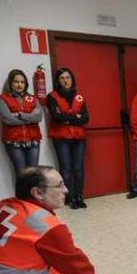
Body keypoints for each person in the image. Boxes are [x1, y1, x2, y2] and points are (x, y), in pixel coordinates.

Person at [47, 67, 89, 209]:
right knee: (66, 169)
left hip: (79, 138)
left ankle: (79, 196)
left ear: (72, 80)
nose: (66, 81)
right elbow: (57, 117)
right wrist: (74, 117)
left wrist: (67, 118)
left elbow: (85, 118)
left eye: (68, 78)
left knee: (78, 168)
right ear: (58, 81)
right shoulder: (52, 96)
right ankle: (69, 197)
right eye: (62, 78)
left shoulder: (79, 97)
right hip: (61, 138)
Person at [0, 69, 43, 177]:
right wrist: (30, 117)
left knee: (33, 173)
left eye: (22, 82)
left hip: (33, 141)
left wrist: (20, 115)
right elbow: (7, 119)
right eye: (16, 81)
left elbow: (39, 117)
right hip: (14, 142)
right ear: (10, 83)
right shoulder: (2, 99)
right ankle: (22, 195)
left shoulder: (32, 98)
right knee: (21, 174)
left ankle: (33, 194)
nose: (19, 85)